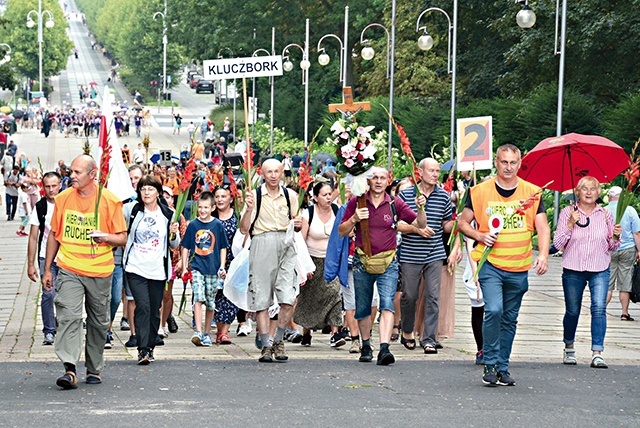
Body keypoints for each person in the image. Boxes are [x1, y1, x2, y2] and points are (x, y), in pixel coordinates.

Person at [457, 144, 550, 386]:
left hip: (519, 267)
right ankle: (488, 362)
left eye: (513, 162)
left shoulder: (532, 193)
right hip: (491, 264)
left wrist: (543, 256)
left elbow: (543, 227)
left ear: (519, 164)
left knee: (509, 318)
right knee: (494, 310)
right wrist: (479, 236)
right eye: (504, 162)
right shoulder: (479, 191)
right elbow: (462, 223)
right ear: (496, 163)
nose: (508, 167)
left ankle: (502, 366)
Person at [42, 155, 127, 390]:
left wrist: (105, 237)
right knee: (68, 315)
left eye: (78, 172)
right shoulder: (63, 198)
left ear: (93, 174)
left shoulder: (110, 201)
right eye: (71, 171)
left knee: (99, 322)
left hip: (100, 272)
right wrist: (48, 269)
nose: (72, 176)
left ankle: (93, 367)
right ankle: (69, 368)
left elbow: (122, 237)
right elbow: (54, 234)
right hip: (69, 268)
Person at [338, 167, 426, 366]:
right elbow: (341, 231)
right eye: (374, 178)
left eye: (382, 178)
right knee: (363, 307)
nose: (378, 181)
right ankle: (367, 345)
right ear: (368, 181)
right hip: (362, 261)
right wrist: (354, 219)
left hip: (388, 262)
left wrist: (421, 208)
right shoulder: (357, 201)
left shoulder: (395, 203)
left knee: (387, 303)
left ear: (388, 181)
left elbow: (420, 224)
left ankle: (384, 348)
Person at [554, 177, 621, 369]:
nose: (589, 192)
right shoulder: (568, 212)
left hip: (599, 268)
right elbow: (558, 244)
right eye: (585, 189)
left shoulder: (606, 215)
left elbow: (612, 246)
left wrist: (616, 235)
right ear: (578, 192)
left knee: (599, 308)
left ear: (599, 193)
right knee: (572, 310)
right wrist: (569, 225)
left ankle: (597, 352)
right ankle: (569, 347)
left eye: (593, 189)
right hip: (573, 268)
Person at [238, 159, 301, 363]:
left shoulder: (290, 196)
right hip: (262, 242)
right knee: (262, 297)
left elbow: (295, 223)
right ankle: (265, 344)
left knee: (288, 297)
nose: (273, 175)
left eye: (276, 171)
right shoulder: (255, 196)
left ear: (282, 173)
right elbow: (244, 228)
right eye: (269, 172)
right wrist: (247, 209)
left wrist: (298, 223)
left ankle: (278, 339)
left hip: (285, 243)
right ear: (262, 174)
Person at [397, 158, 454, 354]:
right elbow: (397, 225)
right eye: (432, 171)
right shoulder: (405, 195)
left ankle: (429, 338)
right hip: (411, 253)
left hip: (435, 252)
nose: (436, 174)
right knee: (410, 295)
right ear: (420, 172)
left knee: (433, 296)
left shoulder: (443, 196)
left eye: (438, 171)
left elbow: (446, 224)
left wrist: (458, 223)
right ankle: (407, 330)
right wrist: (416, 229)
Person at [122, 176, 180, 364]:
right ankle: (142, 348)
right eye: (143, 189)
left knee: (155, 309)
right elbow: (119, 225)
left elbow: (174, 243)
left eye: (151, 189)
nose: (146, 192)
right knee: (143, 306)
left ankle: (151, 345)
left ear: (158, 193)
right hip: (135, 267)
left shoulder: (167, 213)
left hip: (157, 268)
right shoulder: (132, 210)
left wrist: (173, 232)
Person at [296, 182, 345, 348]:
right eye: (324, 195)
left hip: (331, 261)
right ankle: (306, 332)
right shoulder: (308, 213)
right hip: (311, 260)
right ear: (315, 197)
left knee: (334, 294)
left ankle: (335, 333)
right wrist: (304, 265)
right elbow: (301, 241)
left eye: (330, 194)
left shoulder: (337, 211)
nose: (328, 197)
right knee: (309, 298)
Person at [181, 191, 228, 347]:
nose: (202, 211)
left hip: (213, 268)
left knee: (210, 302)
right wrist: (184, 265)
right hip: (197, 266)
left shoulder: (217, 225)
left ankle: (207, 333)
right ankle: (198, 331)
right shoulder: (193, 224)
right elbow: (186, 247)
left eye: (206, 208)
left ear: (213, 208)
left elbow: (222, 247)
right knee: (198, 297)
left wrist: (222, 266)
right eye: (200, 207)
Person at [27, 172, 62, 346]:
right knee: (48, 294)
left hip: (67, 256)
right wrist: (30, 264)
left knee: (64, 295)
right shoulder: (40, 207)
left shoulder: (67, 203)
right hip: (45, 257)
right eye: (47, 186)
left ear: (60, 185)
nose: (51, 190)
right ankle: (49, 330)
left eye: (54, 186)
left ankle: (63, 325)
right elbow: (33, 236)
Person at [605, 185, 640, 321]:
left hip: (609, 249)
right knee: (625, 282)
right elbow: (636, 233)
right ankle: (624, 313)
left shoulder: (603, 211)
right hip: (628, 249)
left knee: (608, 281)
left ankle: (601, 310)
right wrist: (639, 250)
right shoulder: (630, 210)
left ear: (609, 197)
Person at [212, 185, 240, 344]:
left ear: (231, 198)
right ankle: (219, 329)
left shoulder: (237, 217)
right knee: (216, 297)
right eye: (217, 196)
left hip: (233, 262)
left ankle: (224, 332)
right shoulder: (210, 216)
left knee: (231, 297)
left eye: (224, 196)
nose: (220, 199)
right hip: (214, 263)